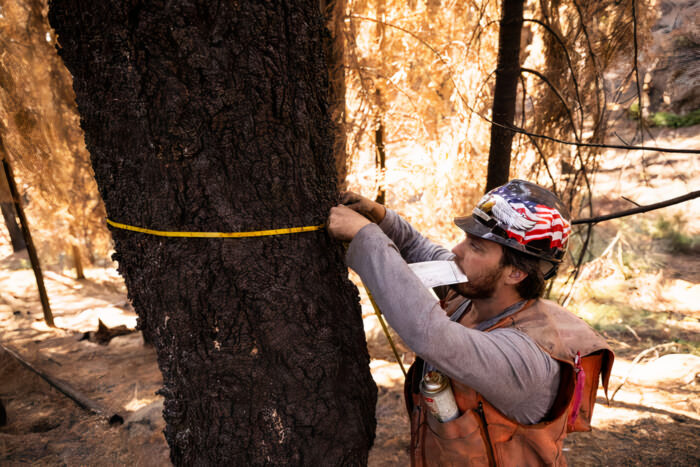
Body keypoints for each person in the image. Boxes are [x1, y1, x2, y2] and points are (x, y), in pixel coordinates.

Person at [327, 179, 614, 466]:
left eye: (476, 247)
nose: (458, 249)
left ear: (515, 273)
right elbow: (421, 250)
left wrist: (367, 237)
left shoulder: (526, 357)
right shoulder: (472, 296)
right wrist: (381, 218)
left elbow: (431, 335)